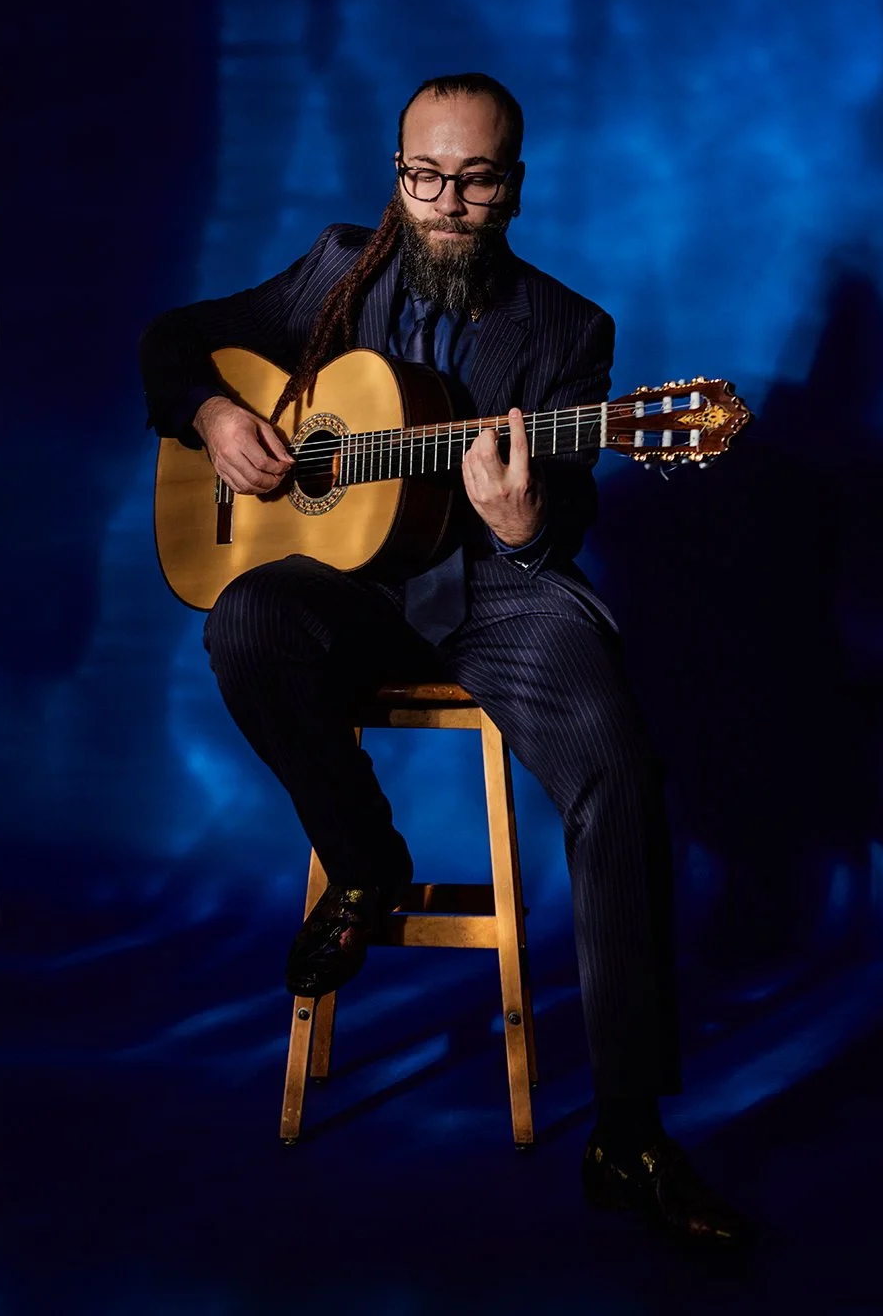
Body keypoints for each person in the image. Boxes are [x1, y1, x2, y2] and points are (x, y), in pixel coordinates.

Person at [140, 72, 748, 1252]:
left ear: (514, 186)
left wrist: (523, 525)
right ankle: (367, 866)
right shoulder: (335, 269)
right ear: (398, 174)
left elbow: (555, 523)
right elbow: (175, 342)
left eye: (475, 180)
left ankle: (629, 1132)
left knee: (617, 768)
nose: (447, 203)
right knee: (243, 620)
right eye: (426, 176)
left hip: (494, 596)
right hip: (344, 591)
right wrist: (215, 416)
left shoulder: (570, 332)